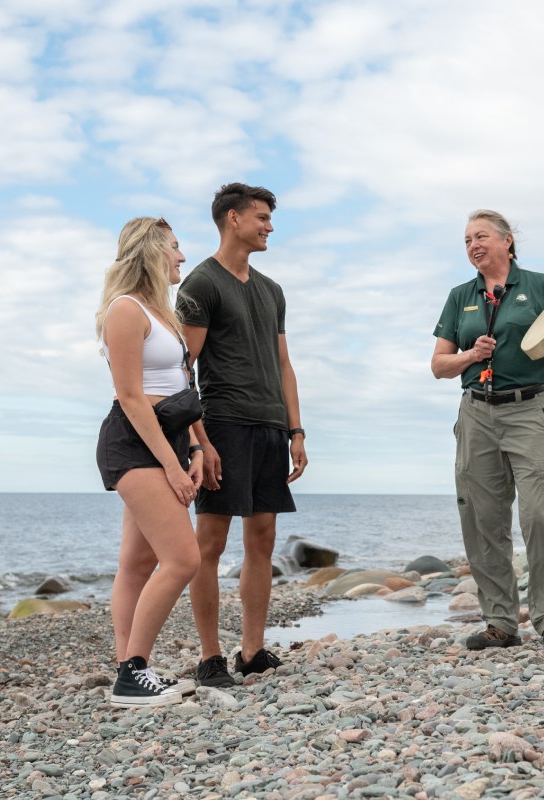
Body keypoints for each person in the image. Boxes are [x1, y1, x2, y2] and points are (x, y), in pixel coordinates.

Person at [430, 209, 544, 653]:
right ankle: (500, 623)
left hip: (530, 409)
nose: (473, 246)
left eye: (480, 237)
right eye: (466, 241)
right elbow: (439, 365)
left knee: (538, 513)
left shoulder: (540, 285)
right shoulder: (461, 296)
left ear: (507, 241)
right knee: (482, 519)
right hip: (476, 413)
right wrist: (470, 355)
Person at [176, 183, 308, 687]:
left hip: (271, 425)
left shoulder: (272, 290)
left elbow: (283, 364)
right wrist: (198, 440)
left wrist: (295, 429)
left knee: (264, 538)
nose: (269, 226)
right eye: (261, 217)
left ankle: (251, 650)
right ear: (233, 218)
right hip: (223, 424)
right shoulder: (201, 284)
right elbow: (181, 369)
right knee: (209, 541)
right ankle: (210, 656)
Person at [95, 217, 204, 706]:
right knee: (183, 559)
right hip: (136, 444)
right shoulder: (125, 310)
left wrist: (195, 449)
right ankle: (132, 671)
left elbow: (181, 389)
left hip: (168, 441)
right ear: (151, 252)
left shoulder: (164, 315)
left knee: (138, 563)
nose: (182, 257)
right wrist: (173, 467)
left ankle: (129, 668)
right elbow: (132, 397)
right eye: (176, 248)